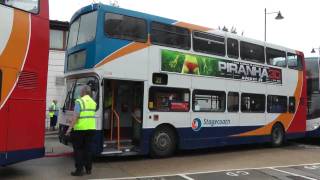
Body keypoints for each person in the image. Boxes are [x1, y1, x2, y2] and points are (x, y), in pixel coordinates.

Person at [65, 85, 97, 176]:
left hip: (80, 130)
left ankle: (79, 170)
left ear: (83, 92)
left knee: (78, 150)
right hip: (91, 129)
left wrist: (69, 129)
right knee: (88, 150)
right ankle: (88, 169)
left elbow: (75, 117)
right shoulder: (93, 102)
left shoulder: (79, 101)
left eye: (81, 91)